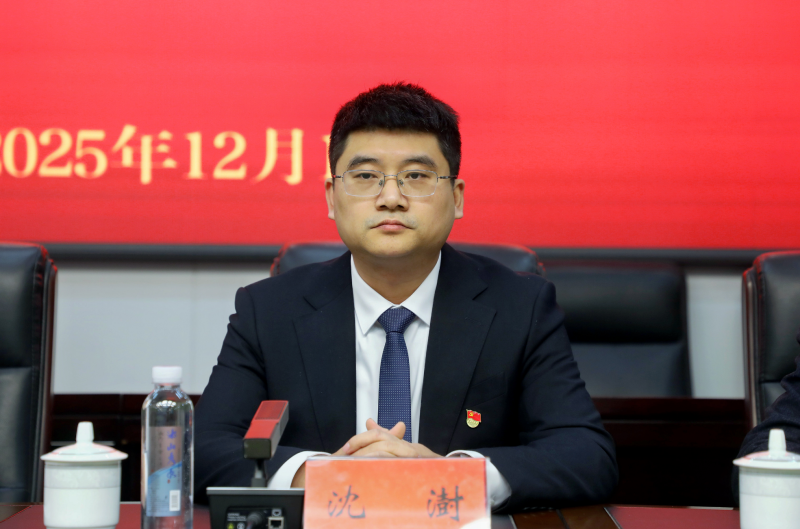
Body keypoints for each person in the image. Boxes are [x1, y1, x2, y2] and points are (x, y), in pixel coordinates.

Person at [194, 83, 617, 512]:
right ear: (332, 197)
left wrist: (447, 476)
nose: (391, 198)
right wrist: (328, 477)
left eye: (416, 176)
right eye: (365, 177)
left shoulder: (521, 307)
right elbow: (204, 450)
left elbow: (586, 456)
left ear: (456, 198)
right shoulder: (268, 311)